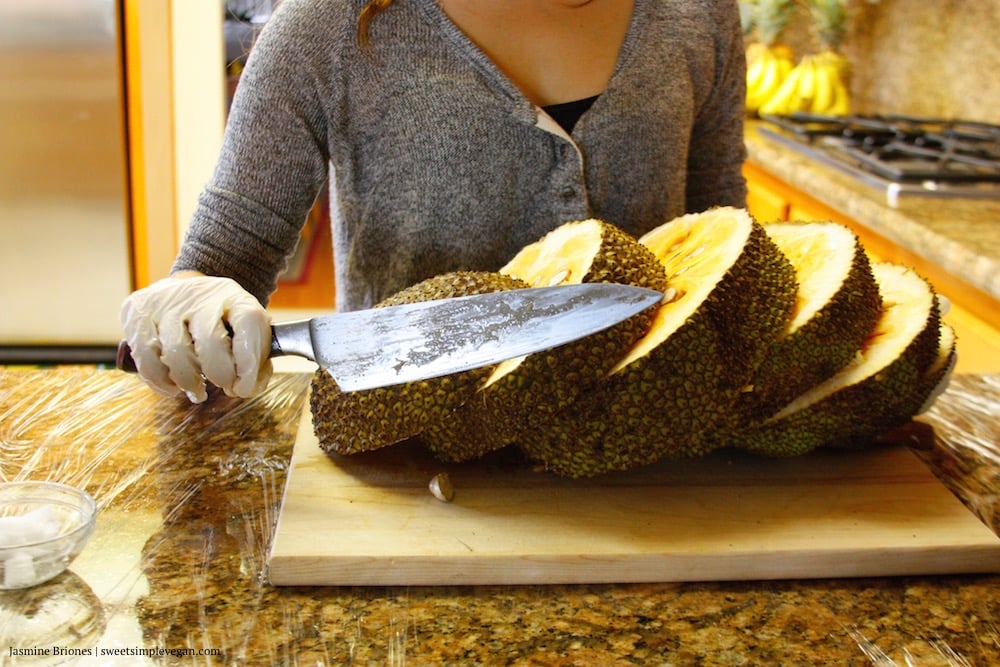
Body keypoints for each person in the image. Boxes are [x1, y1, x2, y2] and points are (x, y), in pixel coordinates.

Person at [120, 0, 749, 403]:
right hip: (406, 459)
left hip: (651, 447)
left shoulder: (698, 15)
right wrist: (192, 304)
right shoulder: (326, 25)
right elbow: (227, 256)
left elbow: (726, 233)